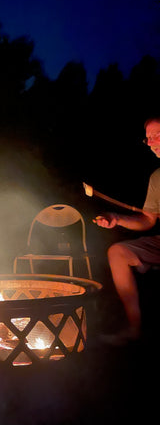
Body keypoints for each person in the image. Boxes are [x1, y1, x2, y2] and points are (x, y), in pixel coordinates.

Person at [94, 116, 160, 344]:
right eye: (149, 138)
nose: (152, 143)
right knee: (118, 252)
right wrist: (117, 218)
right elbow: (148, 220)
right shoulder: (157, 178)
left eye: (157, 135)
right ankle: (134, 327)